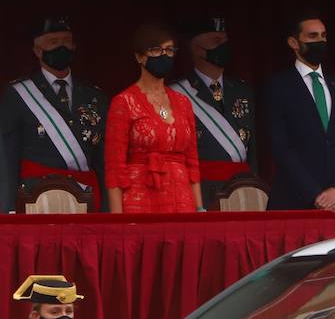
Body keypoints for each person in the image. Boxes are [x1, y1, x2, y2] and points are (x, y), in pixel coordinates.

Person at [0, 17, 108, 213]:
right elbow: (7, 157)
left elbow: (103, 162)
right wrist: (6, 209)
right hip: (35, 200)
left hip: (87, 200)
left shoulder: (95, 96)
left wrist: (107, 208)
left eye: (66, 41)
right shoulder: (18, 94)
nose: (62, 47)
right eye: (54, 42)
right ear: (37, 51)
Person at [264, 11, 335, 212]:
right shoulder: (278, 87)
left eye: (323, 35)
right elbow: (281, 147)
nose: (320, 41)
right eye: (312, 36)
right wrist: (316, 194)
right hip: (295, 201)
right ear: (294, 42)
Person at [104, 24, 203, 213]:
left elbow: (193, 163)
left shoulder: (183, 102)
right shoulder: (123, 102)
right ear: (140, 56)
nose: (164, 56)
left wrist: (200, 209)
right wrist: (118, 219)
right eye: (156, 50)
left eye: (169, 50)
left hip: (181, 201)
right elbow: (114, 168)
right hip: (140, 200)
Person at [170, 16, 256, 204]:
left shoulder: (243, 91)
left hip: (243, 190)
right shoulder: (177, 93)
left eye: (225, 41)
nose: (222, 46)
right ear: (196, 48)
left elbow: (254, 149)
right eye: (216, 41)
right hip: (201, 191)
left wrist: (254, 184)